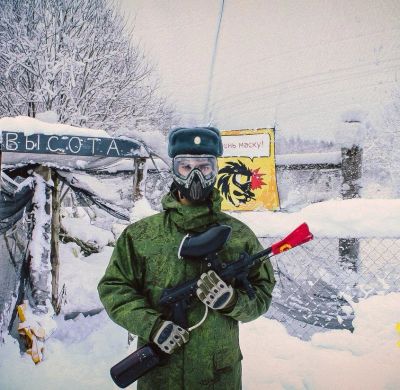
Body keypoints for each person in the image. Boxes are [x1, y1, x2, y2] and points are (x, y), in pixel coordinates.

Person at [97, 126, 276, 390]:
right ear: (174, 169)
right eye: (186, 166)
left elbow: (262, 294)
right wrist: (154, 326)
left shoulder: (239, 236)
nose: (195, 175)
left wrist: (232, 301)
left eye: (204, 167)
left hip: (218, 376)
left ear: (216, 170)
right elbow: (114, 289)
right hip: (161, 377)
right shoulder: (141, 235)